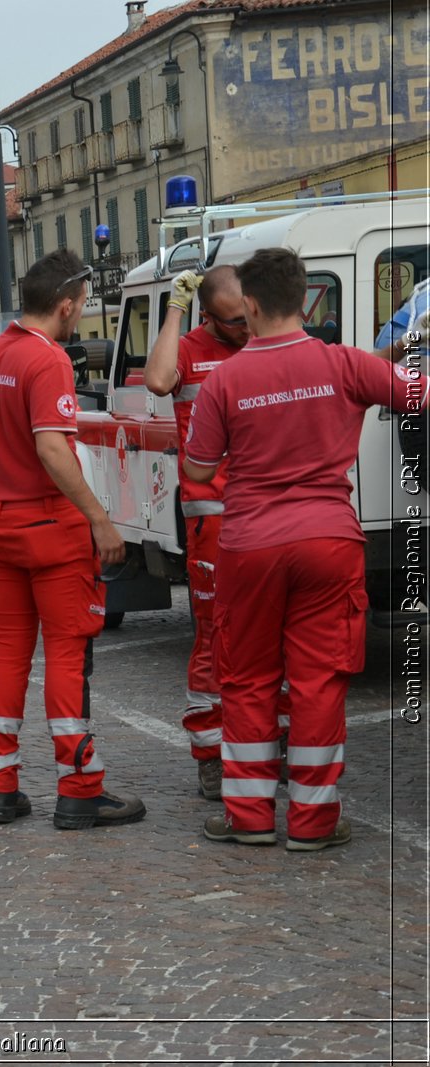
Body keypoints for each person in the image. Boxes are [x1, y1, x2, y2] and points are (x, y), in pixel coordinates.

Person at [183, 247, 417, 852]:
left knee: (247, 680)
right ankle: (314, 824)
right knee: (318, 681)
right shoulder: (343, 363)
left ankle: (249, 818)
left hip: (250, 545)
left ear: (252, 304)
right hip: (329, 540)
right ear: (306, 300)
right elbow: (416, 395)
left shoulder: (226, 379)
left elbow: (201, 466)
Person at [0, 251, 146, 831]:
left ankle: (1, 787)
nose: (81, 317)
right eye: (82, 307)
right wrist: (100, 520)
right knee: (65, 651)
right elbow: (53, 449)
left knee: (8, 652)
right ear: (66, 304)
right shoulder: (48, 361)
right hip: (51, 527)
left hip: (2, 526)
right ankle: (80, 787)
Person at [143, 265, 254, 801]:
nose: (245, 330)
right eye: (233, 322)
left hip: (265, 513)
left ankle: (264, 746)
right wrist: (174, 307)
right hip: (211, 515)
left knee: (270, 633)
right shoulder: (189, 346)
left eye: (249, 316)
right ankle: (211, 754)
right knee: (214, 636)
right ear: (208, 316)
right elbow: (159, 381)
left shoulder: (264, 337)